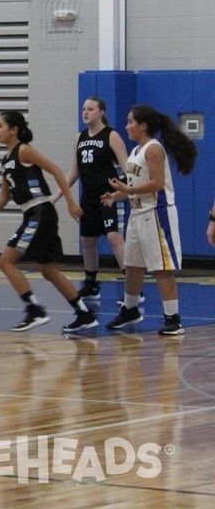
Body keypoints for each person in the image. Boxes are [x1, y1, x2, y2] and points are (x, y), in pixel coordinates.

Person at [0, 111, 97, 333]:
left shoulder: (24, 150)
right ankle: (84, 314)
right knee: (49, 270)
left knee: (5, 261)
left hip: (40, 211)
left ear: (14, 129)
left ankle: (34, 310)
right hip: (33, 213)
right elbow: (3, 197)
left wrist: (70, 202)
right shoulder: (6, 160)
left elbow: (55, 169)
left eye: (0, 126)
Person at [102, 105, 197, 336]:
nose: (126, 126)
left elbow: (157, 184)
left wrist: (127, 189)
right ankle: (131, 310)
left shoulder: (154, 149)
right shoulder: (136, 151)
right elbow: (134, 187)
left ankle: (173, 318)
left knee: (161, 268)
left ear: (143, 126)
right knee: (132, 265)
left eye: (130, 122)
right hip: (138, 214)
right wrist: (117, 195)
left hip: (157, 213)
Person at [50, 97, 128, 299]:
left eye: (90, 109)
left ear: (101, 112)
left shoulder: (112, 136)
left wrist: (126, 191)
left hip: (109, 194)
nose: (85, 112)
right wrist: (57, 195)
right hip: (89, 196)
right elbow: (74, 171)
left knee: (114, 237)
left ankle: (133, 287)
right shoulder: (80, 138)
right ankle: (91, 284)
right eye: (84, 109)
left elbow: (128, 168)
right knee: (87, 240)